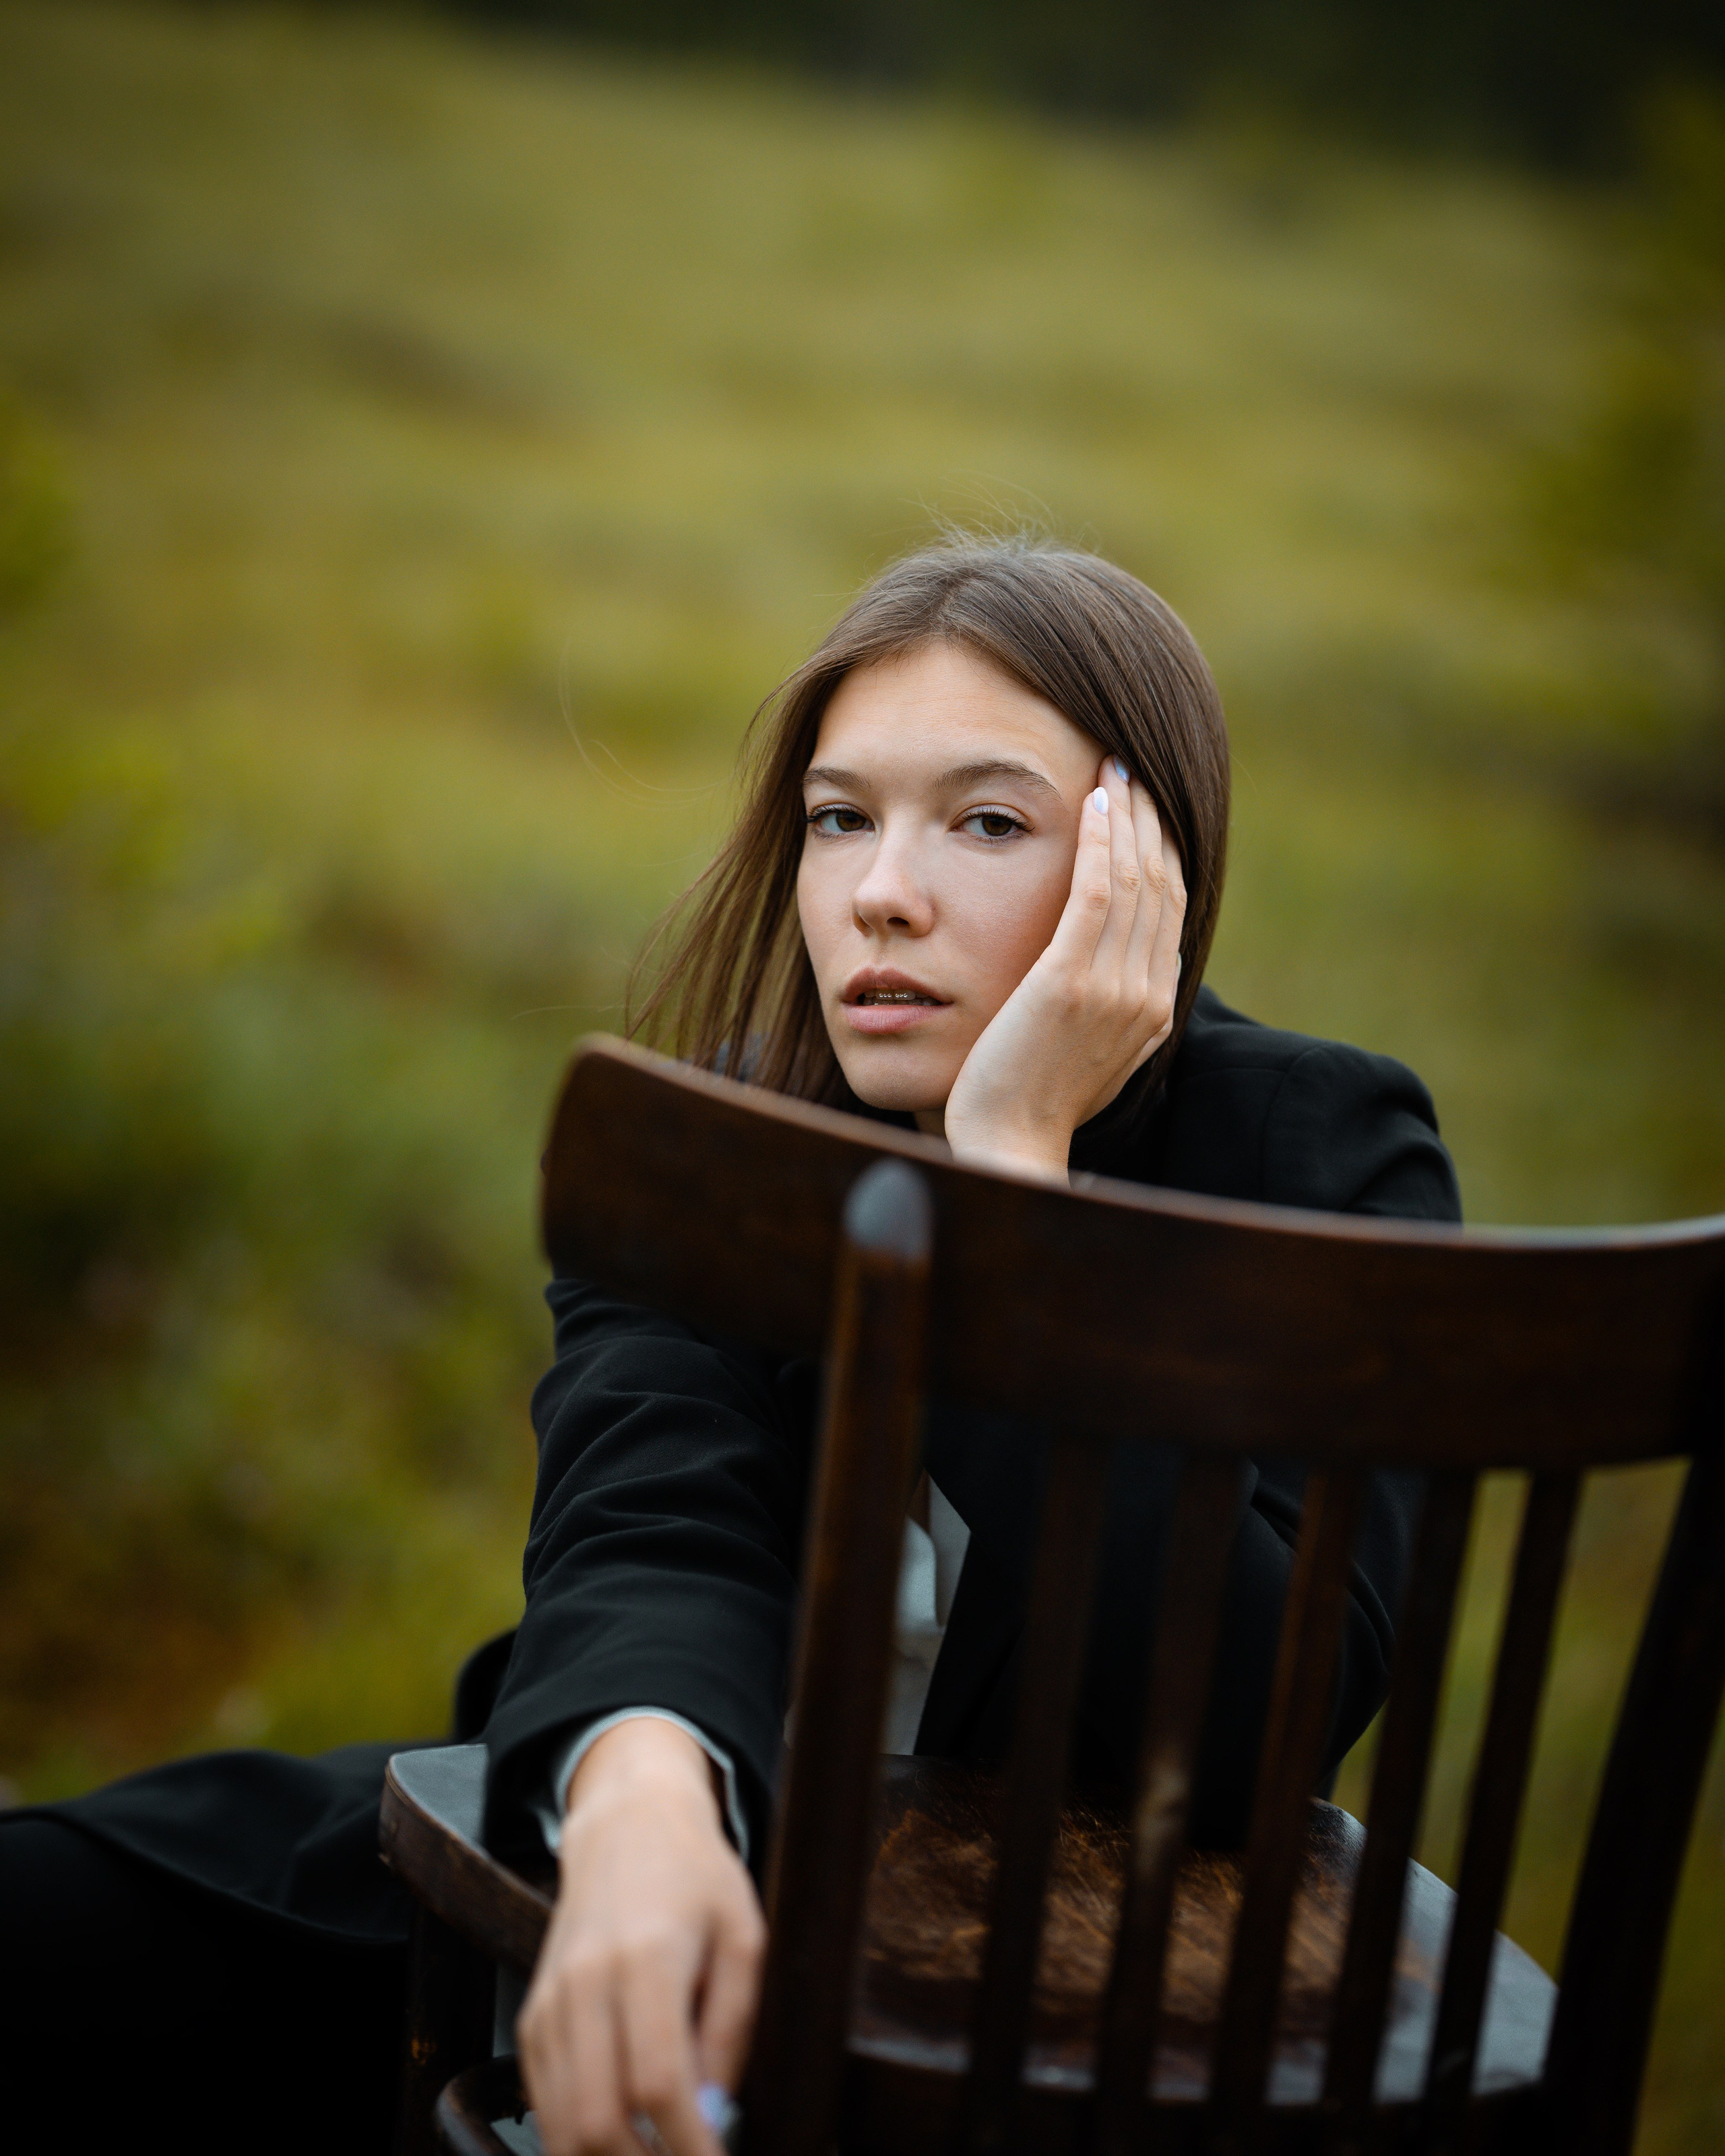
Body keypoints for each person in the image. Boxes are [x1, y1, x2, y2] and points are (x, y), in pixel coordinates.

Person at [0, 537, 1459, 2156]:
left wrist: (1011, 1187)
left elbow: (1252, 1718)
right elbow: (649, 1526)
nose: (879, 889)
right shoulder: (722, 1136)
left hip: (1078, 2029)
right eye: (840, 817)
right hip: (625, 1852)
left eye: (984, 821)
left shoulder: (1314, 1151)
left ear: (1143, 872)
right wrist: (637, 1797)